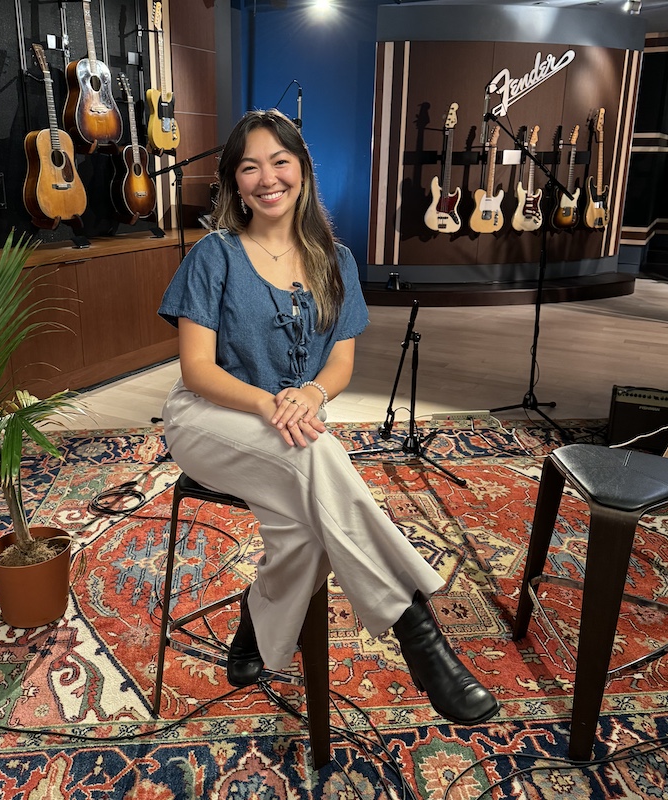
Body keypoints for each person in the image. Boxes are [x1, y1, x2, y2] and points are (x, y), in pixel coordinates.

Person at [157, 109, 498, 725]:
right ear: (235, 182)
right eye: (250, 166)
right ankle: (417, 630)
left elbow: (340, 366)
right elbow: (196, 371)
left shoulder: (335, 260)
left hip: (290, 428)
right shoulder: (215, 256)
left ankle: (257, 628)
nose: (267, 177)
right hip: (209, 419)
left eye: (280, 162)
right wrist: (270, 402)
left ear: (303, 171)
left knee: (307, 523)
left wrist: (310, 393)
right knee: (321, 455)